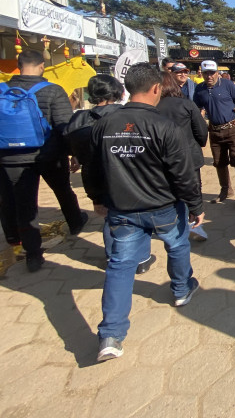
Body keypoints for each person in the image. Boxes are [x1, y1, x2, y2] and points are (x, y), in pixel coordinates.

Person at [83, 63, 204, 362]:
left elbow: (92, 169)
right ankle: (180, 289)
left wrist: (97, 199)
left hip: (121, 210)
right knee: (177, 245)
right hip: (163, 207)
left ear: (126, 89)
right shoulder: (165, 127)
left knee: (119, 265)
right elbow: (183, 174)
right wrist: (195, 206)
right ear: (156, 89)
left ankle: (111, 335)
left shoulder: (103, 125)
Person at [0, 50, 88, 272]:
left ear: (18, 66)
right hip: (49, 155)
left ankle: (30, 252)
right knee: (63, 190)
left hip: (10, 158)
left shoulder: (3, 90)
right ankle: (76, 222)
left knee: (21, 203)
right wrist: (73, 154)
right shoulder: (52, 90)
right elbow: (65, 127)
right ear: (42, 66)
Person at [65, 75, 157, 272]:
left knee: (110, 218)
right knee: (138, 218)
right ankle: (140, 259)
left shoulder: (78, 119)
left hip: (95, 178)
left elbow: (74, 150)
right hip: (130, 176)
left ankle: (112, 257)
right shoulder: (127, 115)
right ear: (119, 93)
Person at [158, 72, 209, 241]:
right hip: (189, 157)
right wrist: (198, 143)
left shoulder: (152, 107)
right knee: (192, 190)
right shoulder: (187, 104)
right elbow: (201, 132)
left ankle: (168, 226)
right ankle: (194, 226)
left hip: (160, 159)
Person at [193, 60, 235, 205]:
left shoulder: (227, 85)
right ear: (201, 73)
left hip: (233, 129)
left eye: (212, 73)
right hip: (214, 131)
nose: (209, 76)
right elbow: (198, 109)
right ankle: (226, 190)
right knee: (219, 162)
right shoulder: (199, 89)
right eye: (206, 73)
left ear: (217, 73)